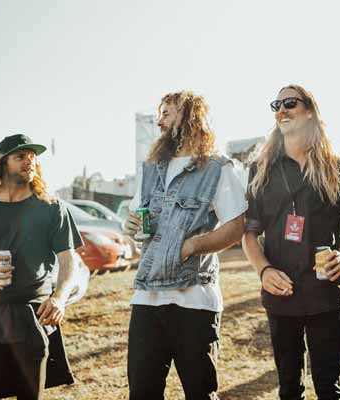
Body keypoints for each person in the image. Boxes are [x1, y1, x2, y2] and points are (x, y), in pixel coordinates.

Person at [242, 84, 340, 399]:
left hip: (325, 289)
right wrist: (263, 271)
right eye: (277, 105)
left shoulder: (338, 163)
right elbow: (249, 233)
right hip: (281, 290)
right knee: (289, 390)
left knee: (329, 389)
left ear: (309, 110)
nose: (281, 110)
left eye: (290, 103)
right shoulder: (261, 167)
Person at [123, 90, 246, 400]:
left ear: (190, 117)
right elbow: (139, 220)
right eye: (159, 114)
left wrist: (192, 245)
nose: (159, 121)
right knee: (142, 393)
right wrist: (131, 226)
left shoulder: (218, 169)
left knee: (200, 393)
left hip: (194, 299)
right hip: (147, 297)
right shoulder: (151, 169)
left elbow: (236, 226)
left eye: (167, 113)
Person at [0, 134, 82, 399]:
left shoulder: (52, 207)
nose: (29, 161)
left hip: (32, 316)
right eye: (20, 156)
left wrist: (59, 298)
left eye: (32, 157)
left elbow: (69, 260)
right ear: (2, 163)